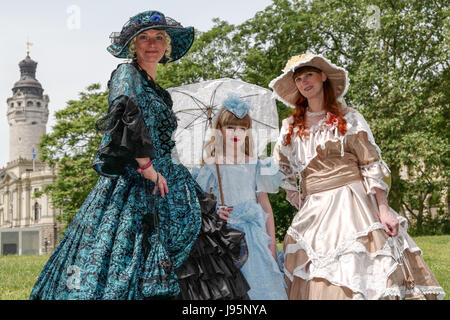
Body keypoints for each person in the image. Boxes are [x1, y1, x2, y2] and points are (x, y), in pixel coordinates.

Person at [30, 10, 249, 300]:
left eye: (159, 38)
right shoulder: (126, 74)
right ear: (133, 45)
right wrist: (144, 164)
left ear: (167, 45)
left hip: (169, 177)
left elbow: (163, 140)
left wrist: (194, 196)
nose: (152, 43)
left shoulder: (158, 90)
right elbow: (124, 111)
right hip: (138, 178)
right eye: (143, 38)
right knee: (126, 255)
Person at [269, 53, 445, 300]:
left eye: (308, 75)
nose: (304, 82)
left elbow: (371, 164)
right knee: (315, 269)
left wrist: (383, 209)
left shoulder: (349, 118)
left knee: (357, 263)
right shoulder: (290, 127)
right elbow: (281, 166)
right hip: (313, 209)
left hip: (352, 202)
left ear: (322, 77)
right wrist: (293, 195)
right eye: (298, 79)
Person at [194, 94, 288, 300]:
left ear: (247, 131)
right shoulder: (212, 166)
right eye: (230, 128)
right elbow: (201, 205)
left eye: (242, 128)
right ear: (219, 130)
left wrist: (271, 244)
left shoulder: (255, 164)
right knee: (232, 288)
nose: (236, 133)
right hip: (226, 236)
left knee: (262, 286)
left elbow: (265, 207)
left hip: (255, 236)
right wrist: (216, 211)